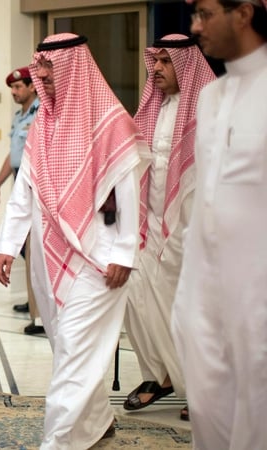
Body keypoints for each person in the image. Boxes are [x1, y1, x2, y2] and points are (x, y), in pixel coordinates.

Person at [0, 33, 145, 449]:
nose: (41, 74)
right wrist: (7, 245)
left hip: (100, 259)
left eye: (50, 68)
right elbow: (25, 190)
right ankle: (97, 420)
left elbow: (130, 190)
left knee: (73, 355)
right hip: (49, 255)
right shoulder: (43, 123)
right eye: (38, 66)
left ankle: (56, 443)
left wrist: (125, 252)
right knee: (70, 350)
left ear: (75, 69)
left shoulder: (110, 122)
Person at [172, 0, 267, 448]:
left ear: (243, 13)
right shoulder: (210, 97)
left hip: (259, 292)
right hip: (205, 291)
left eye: (206, 13)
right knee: (210, 414)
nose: (195, 26)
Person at [123, 34, 216, 422]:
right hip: (151, 223)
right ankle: (158, 374)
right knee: (136, 294)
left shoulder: (210, 108)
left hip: (195, 226)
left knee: (186, 307)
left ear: (187, 65)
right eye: (154, 61)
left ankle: (200, 389)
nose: (156, 69)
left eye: (165, 61)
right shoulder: (151, 109)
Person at [0, 66, 43, 334]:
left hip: (36, 183)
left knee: (35, 248)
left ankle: (41, 313)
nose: (13, 91)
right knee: (25, 246)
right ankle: (35, 302)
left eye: (19, 86)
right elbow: (13, 154)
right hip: (19, 179)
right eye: (12, 87)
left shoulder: (42, 112)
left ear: (33, 86)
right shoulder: (19, 116)